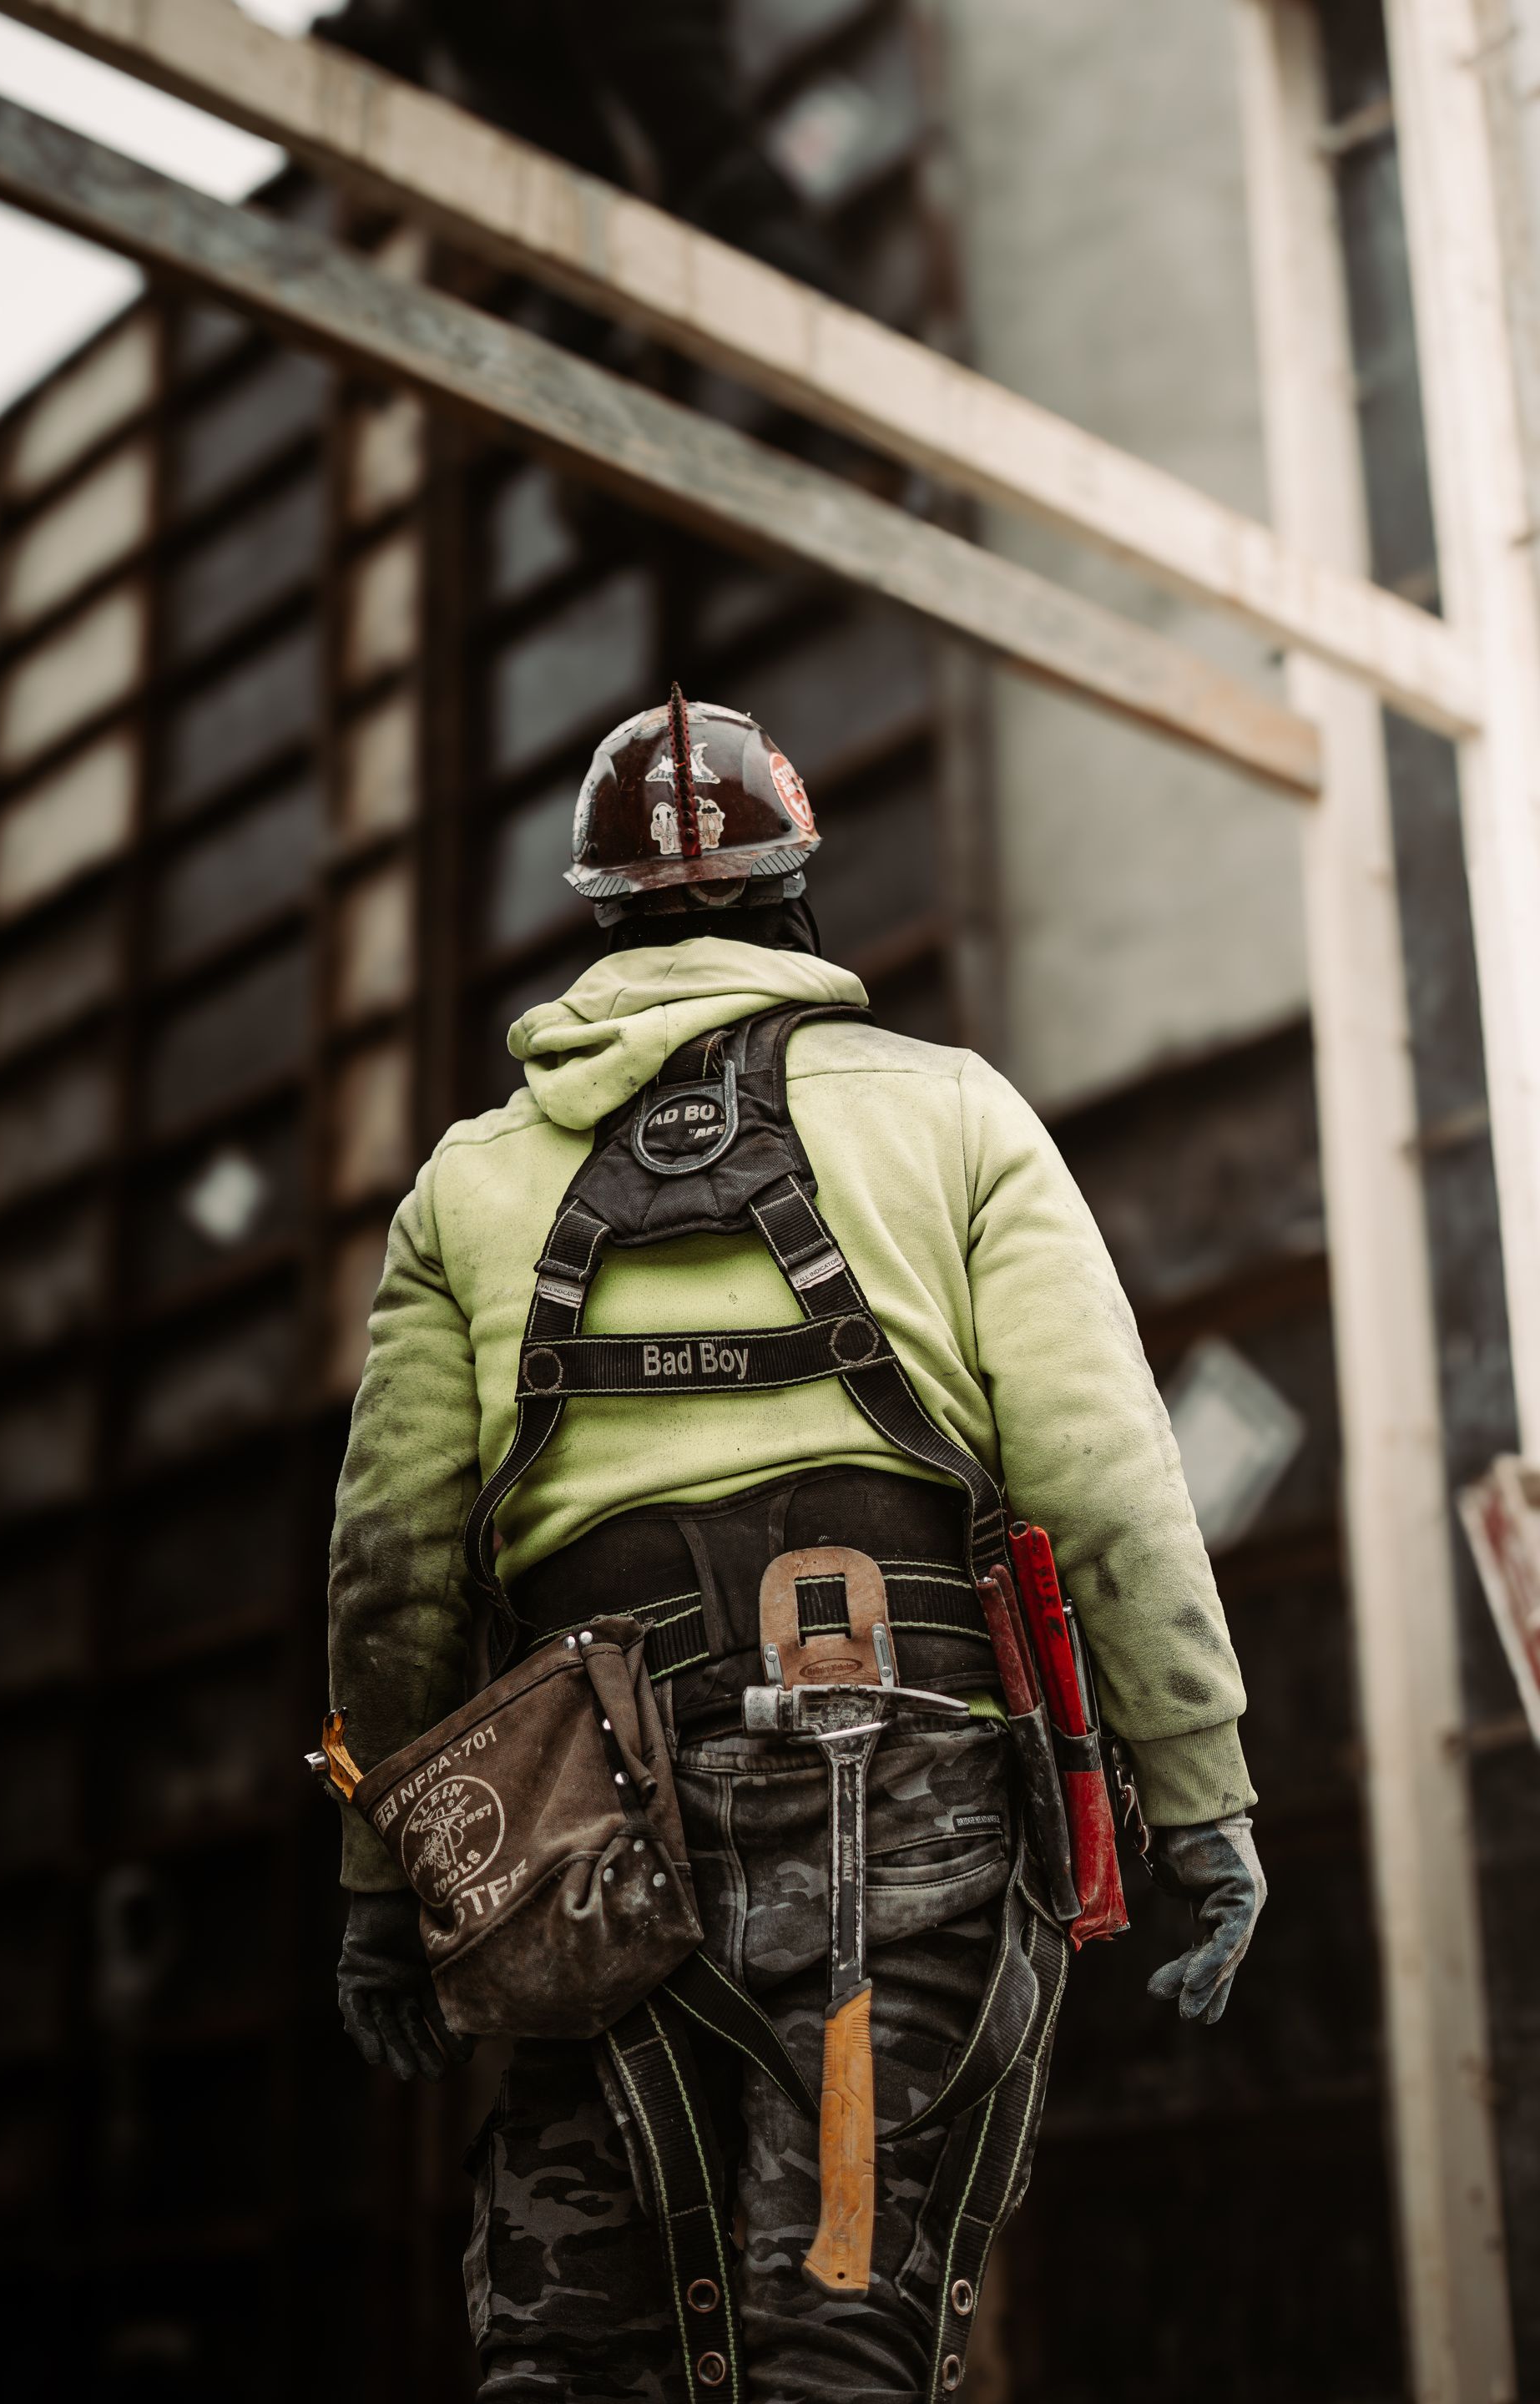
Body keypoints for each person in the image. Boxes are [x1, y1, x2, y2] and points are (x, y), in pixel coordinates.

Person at [327, 694, 1266, 2401]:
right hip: (903, 1783)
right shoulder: (955, 1116)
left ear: (599, 917)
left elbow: (389, 1571)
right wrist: (1199, 1792)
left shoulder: (466, 1187)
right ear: (795, 890)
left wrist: (387, 1882)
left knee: (578, 2351)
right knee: (842, 2322)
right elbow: (1109, 1490)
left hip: (582, 1821)